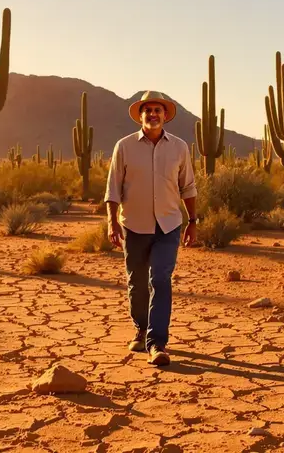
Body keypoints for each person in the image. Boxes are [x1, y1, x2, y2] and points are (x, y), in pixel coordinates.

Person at [103, 90, 198, 367]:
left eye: (158, 110)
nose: (153, 115)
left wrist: (193, 221)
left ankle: (157, 343)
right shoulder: (124, 146)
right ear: (140, 116)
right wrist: (112, 222)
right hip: (134, 224)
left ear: (165, 115)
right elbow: (113, 188)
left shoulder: (179, 147)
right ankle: (141, 328)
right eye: (148, 111)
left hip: (168, 224)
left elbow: (188, 186)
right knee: (137, 282)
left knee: (160, 279)